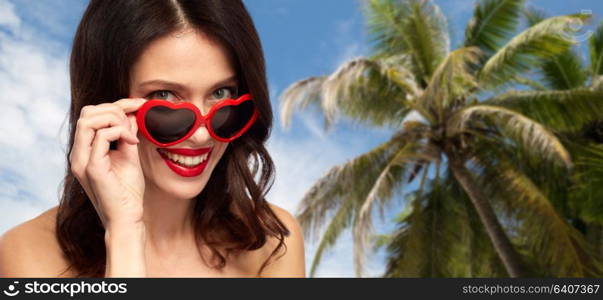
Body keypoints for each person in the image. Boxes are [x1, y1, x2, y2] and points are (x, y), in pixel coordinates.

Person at [0, 0, 305, 277]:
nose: (201, 135)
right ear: (107, 103)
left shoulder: (272, 243)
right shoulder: (27, 258)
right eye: (165, 96)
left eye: (221, 93)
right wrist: (124, 236)